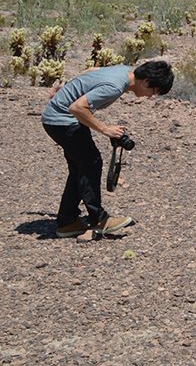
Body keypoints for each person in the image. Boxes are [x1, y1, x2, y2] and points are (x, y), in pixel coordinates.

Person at [41, 60, 174, 238]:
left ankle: (67, 222)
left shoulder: (124, 71)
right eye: (154, 91)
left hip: (55, 119)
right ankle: (99, 220)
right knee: (91, 164)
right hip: (62, 121)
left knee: (79, 167)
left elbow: (91, 70)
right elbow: (77, 107)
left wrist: (66, 88)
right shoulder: (115, 86)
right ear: (145, 81)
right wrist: (105, 129)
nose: (151, 96)